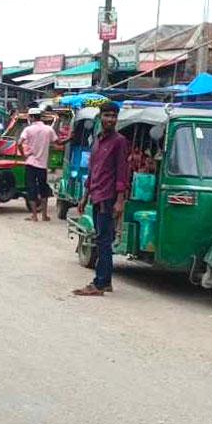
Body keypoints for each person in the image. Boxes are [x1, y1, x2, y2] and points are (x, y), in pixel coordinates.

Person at [73, 102, 129, 296]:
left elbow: (122, 171)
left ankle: (100, 283)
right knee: (101, 239)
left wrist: (120, 200)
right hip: (96, 194)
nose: (110, 119)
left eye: (113, 116)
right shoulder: (97, 140)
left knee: (104, 241)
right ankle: (105, 282)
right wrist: (84, 196)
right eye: (107, 115)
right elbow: (92, 170)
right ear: (100, 117)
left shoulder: (119, 141)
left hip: (108, 196)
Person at [19, 107, 59, 221]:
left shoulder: (28, 130)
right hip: (42, 165)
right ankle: (44, 215)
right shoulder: (48, 129)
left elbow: (19, 143)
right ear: (40, 117)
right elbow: (58, 143)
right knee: (43, 188)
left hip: (30, 163)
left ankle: (34, 215)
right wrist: (70, 138)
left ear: (31, 117)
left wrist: (24, 155)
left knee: (31, 188)